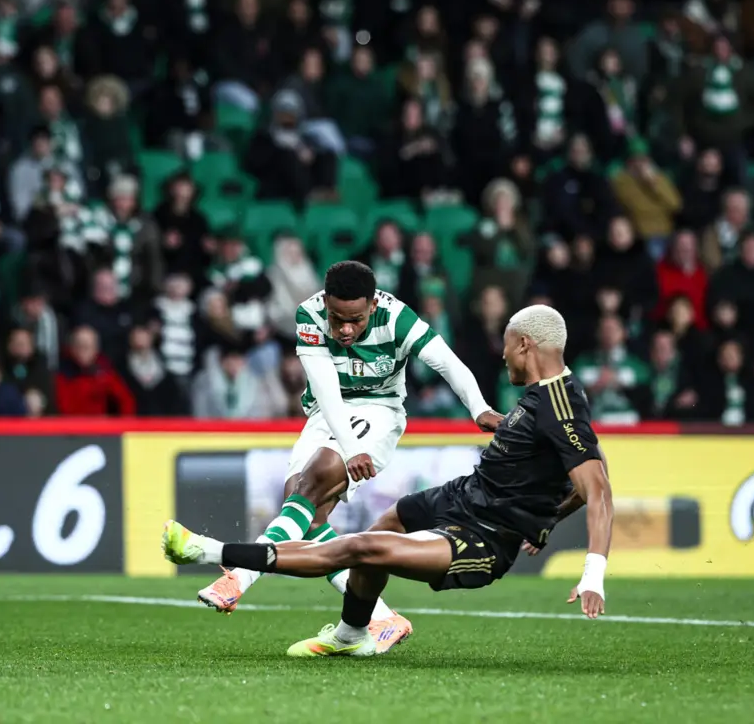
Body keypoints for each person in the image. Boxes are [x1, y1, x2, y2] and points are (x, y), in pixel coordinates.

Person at [163, 304, 614, 657]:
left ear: (524, 344)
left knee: (361, 547)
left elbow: (597, 487)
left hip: (484, 536)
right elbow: (587, 468)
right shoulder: (543, 397)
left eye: (507, 345)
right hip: (462, 496)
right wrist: (547, 518)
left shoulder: (560, 404)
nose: (502, 354)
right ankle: (353, 633)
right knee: (386, 524)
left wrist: (592, 573)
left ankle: (210, 552)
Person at [191, 261, 500, 654]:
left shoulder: (397, 317)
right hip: (327, 412)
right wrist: (351, 447)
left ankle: (238, 577)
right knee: (304, 512)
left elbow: (446, 361)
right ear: (326, 303)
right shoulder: (309, 315)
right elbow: (326, 391)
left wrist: (479, 408)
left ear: (373, 305)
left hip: (380, 410)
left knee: (317, 477)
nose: (345, 330)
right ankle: (383, 617)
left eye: (355, 320)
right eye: (337, 320)